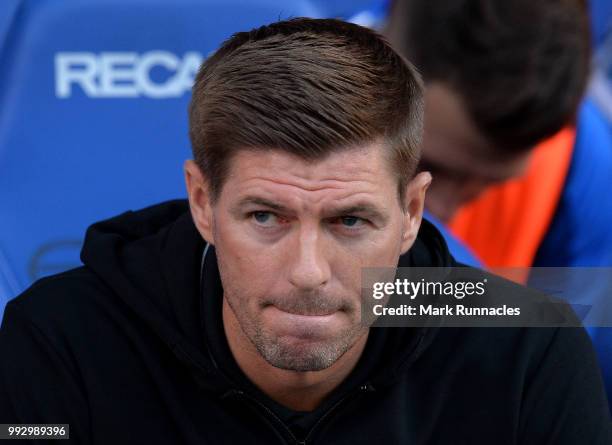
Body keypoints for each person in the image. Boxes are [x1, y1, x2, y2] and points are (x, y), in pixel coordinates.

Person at [0, 18, 609, 444]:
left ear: (412, 213)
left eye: (350, 221)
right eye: (266, 217)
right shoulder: (61, 343)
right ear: (203, 202)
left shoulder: (530, 354)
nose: (308, 271)